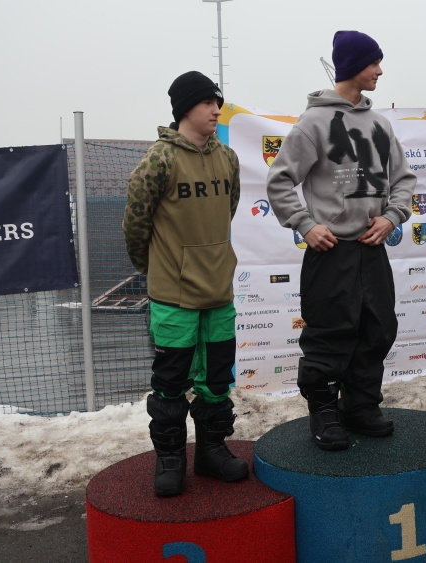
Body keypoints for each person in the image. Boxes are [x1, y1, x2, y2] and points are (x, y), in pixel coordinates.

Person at [266, 30, 416, 451]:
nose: (380, 71)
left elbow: (404, 179)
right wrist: (305, 224)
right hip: (331, 251)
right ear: (352, 67)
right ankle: (324, 412)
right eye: (373, 63)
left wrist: (391, 216)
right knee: (330, 334)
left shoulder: (380, 124)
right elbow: (279, 181)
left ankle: (360, 406)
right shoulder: (313, 122)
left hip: (372, 249)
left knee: (377, 329)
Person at [123, 71, 247, 497]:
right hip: (173, 295)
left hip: (218, 292)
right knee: (170, 382)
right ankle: (171, 459)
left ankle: (211, 452)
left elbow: (229, 208)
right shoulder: (158, 160)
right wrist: (157, 267)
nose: (216, 110)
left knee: (216, 381)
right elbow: (136, 224)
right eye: (208, 103)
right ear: (184, 109)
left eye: (218, 103)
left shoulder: (227, 158)